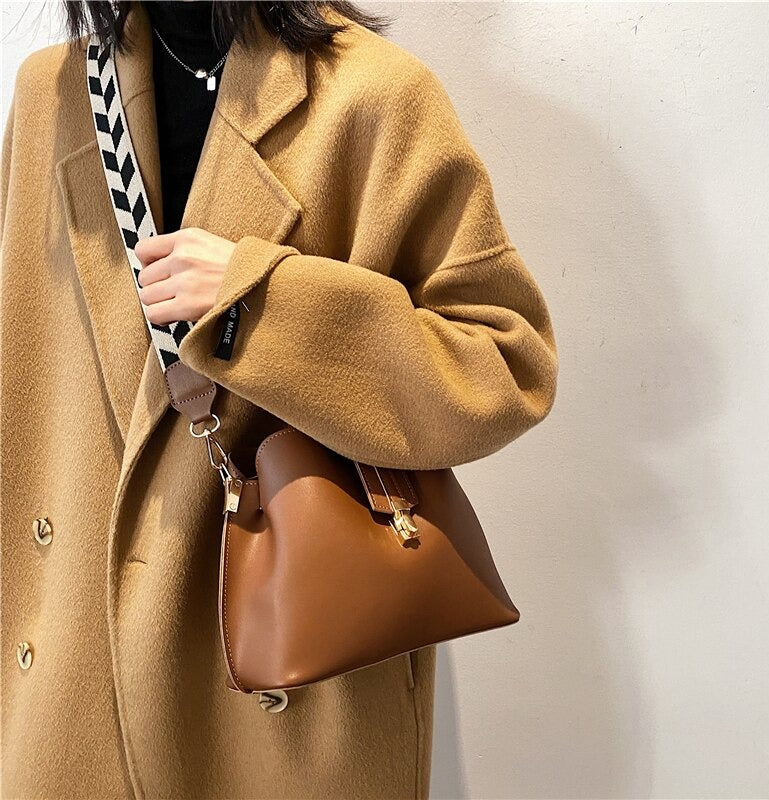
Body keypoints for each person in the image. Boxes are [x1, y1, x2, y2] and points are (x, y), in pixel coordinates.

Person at [0, 1, 559, 797]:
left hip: (287, 682)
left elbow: (504, 365)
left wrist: (260, 306)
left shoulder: (373, 96)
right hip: (68, 676)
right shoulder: (51, 94)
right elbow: (24, 377)